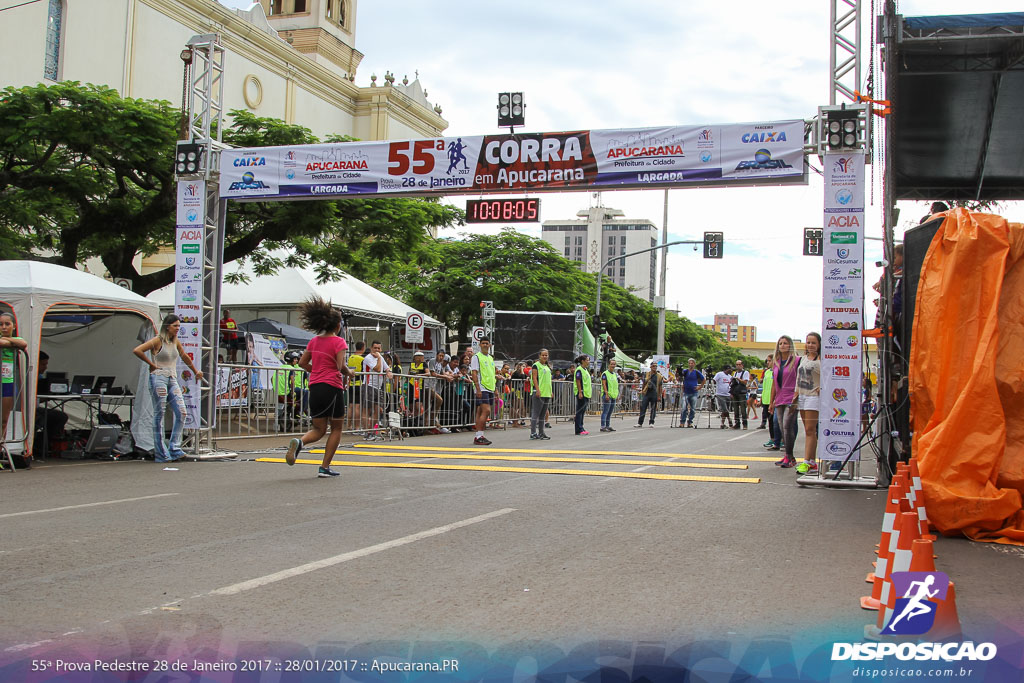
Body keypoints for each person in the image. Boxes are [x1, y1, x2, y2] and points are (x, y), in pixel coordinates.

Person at [283, 297, 350, 478]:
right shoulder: (339, 342)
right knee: (336, 427)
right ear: (338, 326)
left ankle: (300, 441)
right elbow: (339, 366)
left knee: (319, 428)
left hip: (315, 386)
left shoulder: (314, 341)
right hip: (332, 387)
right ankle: (324, 467)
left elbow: (303, 362)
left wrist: (317, 370)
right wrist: (349, 372)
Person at [132, 314, 203, 463]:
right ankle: (161, 452)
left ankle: (174, 447)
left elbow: (184, 357)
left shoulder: (175, 342)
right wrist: (151, 364)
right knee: (159, 414)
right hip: (159, 377)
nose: (178, 328)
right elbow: (137, 350)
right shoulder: (158, 340)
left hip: (172, 378)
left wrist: (195, 371)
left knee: (182, 412)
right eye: (175, 326)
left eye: (179, 326)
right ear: (167, 326)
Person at [769, 335, 801, 468]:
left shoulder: (797, 360)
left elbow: (801, 378)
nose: (782, 345)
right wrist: (771, 402)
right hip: (780, 398)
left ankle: (790, 457)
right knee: (781, 426)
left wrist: (797, 394)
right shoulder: (776, 363)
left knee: (788, 427)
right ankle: (788, 456)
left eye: (785, 343)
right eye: (780, 343)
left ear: (790, 345)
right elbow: (774, 384)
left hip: (792, 397)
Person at [796, 332, 822, 475]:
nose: (810, 345)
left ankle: (806, 462)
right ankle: (811, 461)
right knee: (807, 430)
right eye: (808, 342)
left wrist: (822, 387)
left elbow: (830, 376)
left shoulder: (822, 359)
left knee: (811, 430)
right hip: (802, 396)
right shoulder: (803, 359)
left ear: (819, 345)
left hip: (814, 397)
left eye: (813, 342)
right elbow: (798, 378)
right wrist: (795, 394)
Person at [1, 311, 28, 448]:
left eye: (7, 324)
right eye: (0, 325)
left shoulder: (16, 338)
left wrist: (9, 341)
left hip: (8, 383)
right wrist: (11, 344)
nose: (4, 327)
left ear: (13, 326)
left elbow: (23, 343)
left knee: (4, 420)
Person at [361, 340, 393, 436]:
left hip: (378, 387)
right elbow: (378, 369)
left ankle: (371, 429)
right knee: (367, 410)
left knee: (379, 409)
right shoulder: (368, 358)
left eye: (378, 348)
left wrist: (388, 372)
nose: (377, 350)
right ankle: (367, 431)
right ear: (371, 348)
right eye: (375, 348)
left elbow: (386, 368)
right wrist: (379, 357)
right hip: (368, 385)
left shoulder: (381, 358)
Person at [470, 338, 496, 445]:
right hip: (482, 387)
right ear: (480, 345)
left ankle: (478, 435)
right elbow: (474, 373)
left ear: (489, 345)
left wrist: (496, 389)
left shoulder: (490, 358)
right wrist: (477, 388)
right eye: (483, 343)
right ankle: (479, 435)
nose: (485, 345)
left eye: (487, 343)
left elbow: (492, 374)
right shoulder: (476, 357)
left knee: (480, 411)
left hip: (490, 387)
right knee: (486, 410)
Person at [530, 348, 552, 440]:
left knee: (543, 414)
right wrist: (537, 389)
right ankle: (533, 433)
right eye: (543, 355)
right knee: (536, 413)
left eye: (546, 355)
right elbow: (534, 378)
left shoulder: (547, 367)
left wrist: (551, 391)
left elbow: (549, 381)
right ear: (539, 356)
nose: (544, 356)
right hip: (539, 392)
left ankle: (541, 432)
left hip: (547, 393)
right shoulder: (536, 365)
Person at [679, 358, 704, 428]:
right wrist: (678, 373)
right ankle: (682, 421)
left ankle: (690, 422)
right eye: (689, 363)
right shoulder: (685, 371)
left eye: (692, 363)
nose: (690, 365)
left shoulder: (696, 372)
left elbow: (703, 379)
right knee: (684, 408)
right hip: (686, 392)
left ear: (694, 364)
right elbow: (679, 378)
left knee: (693, 408)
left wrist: (700, 387)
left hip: (694, 392)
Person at [347, 340, 365, 429]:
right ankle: (357, 426)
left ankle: (349, 425)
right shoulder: (362, 359)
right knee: (358, 406)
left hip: (351, 383)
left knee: (350, 406)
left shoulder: (351, 357)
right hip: (359, 384)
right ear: (363, 348)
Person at [573, 354, 592, 435]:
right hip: (582, 393)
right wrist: (580, 392)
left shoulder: (585, 370)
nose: (588, 362)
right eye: (587, 360)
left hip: (586, 393)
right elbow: (578, 381)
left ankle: (581, 427)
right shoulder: (579, 370)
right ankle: (579, 429)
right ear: (582, 361)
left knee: (582, 411)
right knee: (579, 411)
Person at [600, 358, 619, 432]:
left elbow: (615, 385)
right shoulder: (605, 374)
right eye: (611, 364)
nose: (613, 366)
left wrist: (616, 395)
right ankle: (603, 426)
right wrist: (606, 394)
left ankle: (608, 425)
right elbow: (604, 384)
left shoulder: (614, 374)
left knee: (610, 412)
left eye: (614, 364)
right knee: (605, 411)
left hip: (613, 396)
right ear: (609, 365)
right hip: (607, 395)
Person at [730, 359, 750, 429]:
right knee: (735, 409)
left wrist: (738, 379)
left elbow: (745, 382)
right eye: (737, 365)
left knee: (743, 409)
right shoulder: (735, 373)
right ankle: (737, 423)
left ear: (742, 365)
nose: (738, 366)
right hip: (735, 392)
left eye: (739, 364)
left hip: (742, 392)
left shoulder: (745, 372)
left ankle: (745, 424)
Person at [712, 364, 734, 429]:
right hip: (720, 394)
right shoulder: (719, 374)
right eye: (730, 369)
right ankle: (730, 421)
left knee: (725, 410)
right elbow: (714, 380)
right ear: (727, 369)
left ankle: (722, 423)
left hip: (728, 394)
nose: (731, 370)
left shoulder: (730, 376)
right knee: (725, 409)